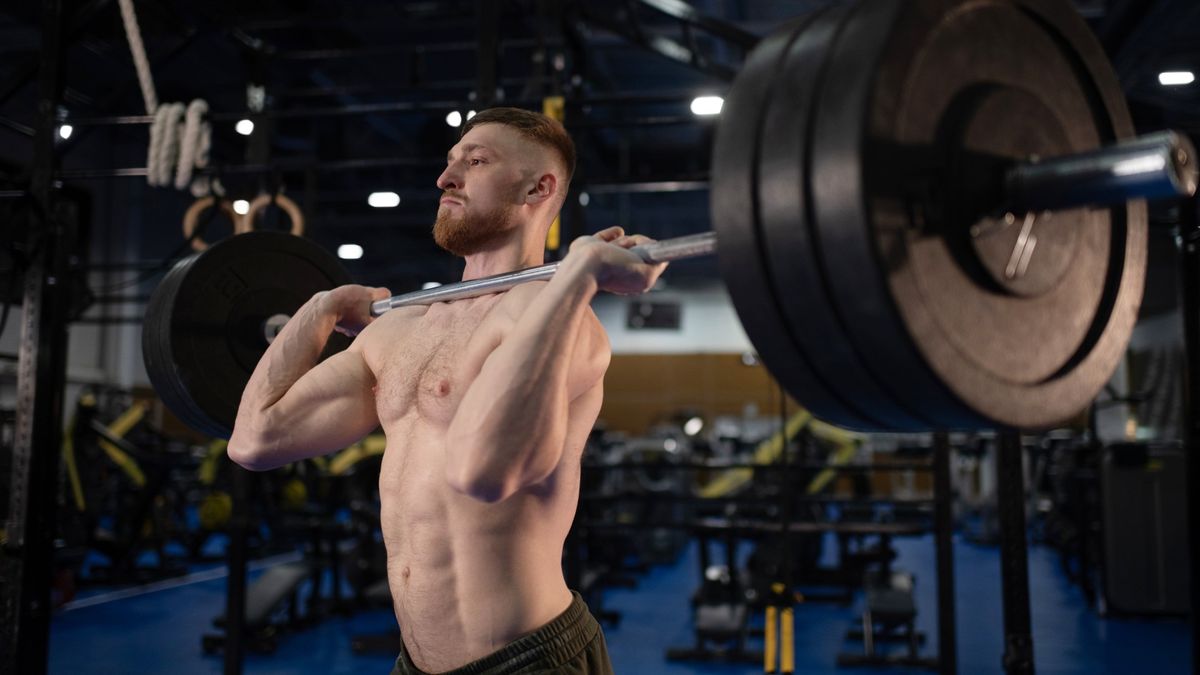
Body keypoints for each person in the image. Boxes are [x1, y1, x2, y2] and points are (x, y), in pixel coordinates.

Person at [228, 107, 668, 674]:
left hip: (527, 661)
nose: (445, 178)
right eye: (450, 161)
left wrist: (576, 280)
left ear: (538, 188)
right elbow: (255, 439)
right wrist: (321, 309)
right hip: (414, 663)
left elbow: (485, 473)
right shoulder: (401, 330)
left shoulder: (559, 319)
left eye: (475, 161)